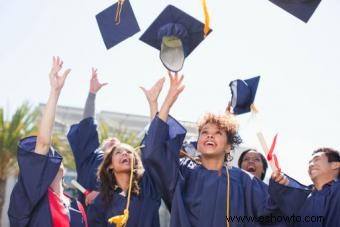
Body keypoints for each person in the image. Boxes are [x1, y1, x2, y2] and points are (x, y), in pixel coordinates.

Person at [142, 72, 283, 227]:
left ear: (229, 146)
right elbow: (154, 152)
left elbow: (272, 211)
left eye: (218, 133)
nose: (210, 136)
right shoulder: (183, 174)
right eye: (205, 132)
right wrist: (167, 102)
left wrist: (280, 187)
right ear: (198, 142)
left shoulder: (243, 181)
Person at [8, 56, 88, 227]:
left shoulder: (77, 206)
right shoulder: (30, 198)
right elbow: (43, 143)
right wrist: (55, 92)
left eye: (52, 155)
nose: (49, 156)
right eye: (44, 156)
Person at [67, 68, 120, 208]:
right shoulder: (90, 157)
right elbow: (87, 126)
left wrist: (102, 193)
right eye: (110, 141)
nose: (114, 140)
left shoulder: (126, 164)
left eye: (119, 147)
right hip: (88, 216)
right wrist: (92, 95)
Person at [87, 142, 162, 226]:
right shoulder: (100, 202)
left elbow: (154, 144)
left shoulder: (149, 188)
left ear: (135, 162)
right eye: (118, 152)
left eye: (129, 152)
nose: (125, 153)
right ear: (110, 165)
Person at [271, 148, 340, 226]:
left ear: (335, 165)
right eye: (310, 162)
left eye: (317, 159)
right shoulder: (302, 201)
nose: (311, 165)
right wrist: (279, 187)